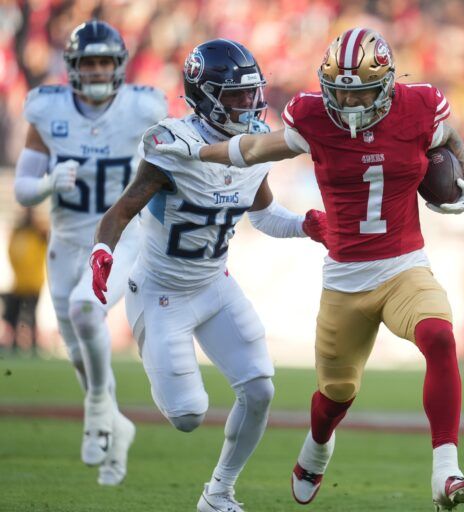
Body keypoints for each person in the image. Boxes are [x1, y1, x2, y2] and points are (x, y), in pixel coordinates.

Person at [151, 28, 464, 511]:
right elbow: (252, 150)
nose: (348, 102)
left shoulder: (418, 107)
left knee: (439, 336)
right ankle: (318, 447)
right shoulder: (313, 118)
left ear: (387, 84)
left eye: (360, 91)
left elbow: (448, 136)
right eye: (340, 91)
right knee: (335, 394)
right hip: (345, 279)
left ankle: (446, 470)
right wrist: (199, 152)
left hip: (404, 266)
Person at [90, 38, 327, 512]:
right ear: (205, 95)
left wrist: (305, 225)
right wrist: (102, 250)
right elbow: (122, 210)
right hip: (160, 293)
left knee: (259, 390)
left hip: (214, 284)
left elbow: (263, 215)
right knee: (187, 415)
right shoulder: (173, 145)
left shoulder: (253, 141)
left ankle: (218, 493)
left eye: (251, 91)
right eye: (236, 94)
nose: (249, 103)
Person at [13, 20, 167, 485]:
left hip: (120, 237)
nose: (98, 70)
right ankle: (116, 429)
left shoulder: (143, 108)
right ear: (72, 67)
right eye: (89, 62)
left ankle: (98, 407)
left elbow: (170, 162)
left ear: (119, 65)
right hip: (65, 243)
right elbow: (22, 188)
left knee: (86, 310)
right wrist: (47, 183)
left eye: (105, 61)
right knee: (79, 351)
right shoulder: (48, 110)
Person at [4, 208, 47, 355]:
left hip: (33, 284)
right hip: (19, 283)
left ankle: (33, 345)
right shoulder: (18, 233)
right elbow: (12, 253)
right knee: (14, 316)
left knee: (31, 316)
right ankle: (14, 345)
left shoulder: (38, 233)